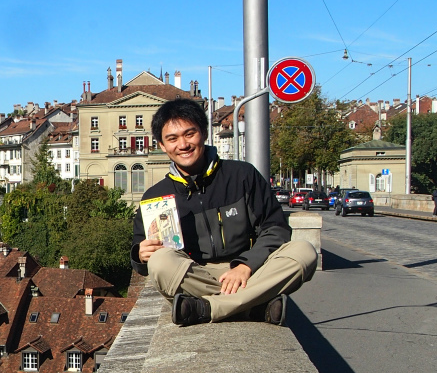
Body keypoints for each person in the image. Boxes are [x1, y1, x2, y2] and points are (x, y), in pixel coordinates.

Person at [131, 98, 317, 327]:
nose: (183, 144)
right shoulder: (155, 197)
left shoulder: (242, 175)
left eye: (190, 134)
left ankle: (207, 308)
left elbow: (275, 227)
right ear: (162, 145)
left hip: (249, 269)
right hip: (196, 276)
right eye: (172, 139)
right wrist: (140, 255)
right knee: (160, 262)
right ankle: (253, 305)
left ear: (203, 133)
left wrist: (246, 266)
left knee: (304, 252)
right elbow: (143, 261)